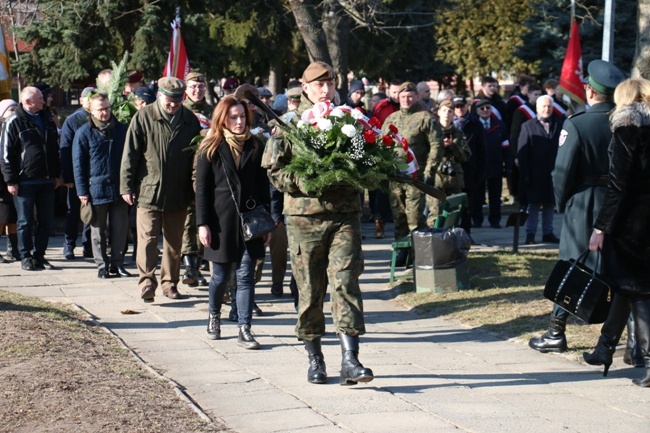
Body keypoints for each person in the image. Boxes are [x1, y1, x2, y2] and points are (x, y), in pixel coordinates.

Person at [263, 61, 374, 386]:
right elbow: (275, 169)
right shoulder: (292, 123)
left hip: (344, 216)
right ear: (305, 87)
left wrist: (363, 169)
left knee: (346, 283)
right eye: (318, 84)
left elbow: (368, 160)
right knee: (310, 290)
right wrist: (303, 181)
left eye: (329, 83)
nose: (324, 89)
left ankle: (350, 360)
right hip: (304, 218)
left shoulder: (351, 120)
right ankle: (315, 358)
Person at [529, 59, 625, 354]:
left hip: (584, 200)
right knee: (622, 269)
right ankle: (634, 339)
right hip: (621, 201)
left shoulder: (577, 123)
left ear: (590, 91)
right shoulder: (628, 123)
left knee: (572, 265)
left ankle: (556, 332)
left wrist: (563, 202)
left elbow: (562, 172)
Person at [581, 77, 650, 376]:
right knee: (627, 286)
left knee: (638, 290)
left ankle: (647, 360)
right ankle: (604, 349)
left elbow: (618, 185)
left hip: (630, 223)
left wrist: (600, 228)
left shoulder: (626, 129)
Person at [195, 96, 270, 349]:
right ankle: (214, 315)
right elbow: (202, 189)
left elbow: (263, 187)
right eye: (233, 117)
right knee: (220, 276)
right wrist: (202, 223)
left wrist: (267, 222)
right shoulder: (210, 147)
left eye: (242, 116)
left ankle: (244, 328)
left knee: (246, 276)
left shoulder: (256, 145)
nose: (239, 122)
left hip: (250, 222)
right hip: (220, 222)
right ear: (222, 119)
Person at [120, 77, 201, 302]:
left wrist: (195, 191)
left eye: (177, 100)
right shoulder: (144, 117)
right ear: (160, 96)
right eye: (169, 100)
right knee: (146, 240)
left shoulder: (189, 120)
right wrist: (126, 186)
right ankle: (147, 282)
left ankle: (169, 284)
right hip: (149, 190)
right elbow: (130, 155)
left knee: (174, 242)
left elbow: (196, 158)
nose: (173, 105)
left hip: (179, 191)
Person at [1, 87, 62, 271]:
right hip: (24, 181)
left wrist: (57, 175)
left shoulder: (47, 118)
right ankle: (25, 256)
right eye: (40, 99)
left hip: (46, 180)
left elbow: (54, 149)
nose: (44, 102)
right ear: (28, 102)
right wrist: (10, 180)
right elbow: (6, 154)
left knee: (46, 221)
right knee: (25, 221)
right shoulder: (14, 121)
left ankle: (39, 256)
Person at [73, 93, 130, 279]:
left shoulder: (122, 130)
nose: (104, 112)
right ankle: (101, 265)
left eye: (107, 108)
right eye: (100, 109)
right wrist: (82, 191)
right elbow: (78, 164)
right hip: (95, 189)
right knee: (97, 231)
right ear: (91, 110)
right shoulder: (84, 133)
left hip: (119, 189)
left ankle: (117, 263)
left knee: (120, 229)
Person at [382, 82, 434, 246]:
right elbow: (382, 143)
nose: (406, 99)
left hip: (415, 177)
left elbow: (436, 145)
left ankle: (419, 254)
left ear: (417, 97)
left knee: (415, 219)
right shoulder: (392, 118)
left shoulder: (425, 117)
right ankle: (401, 253)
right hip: (395, 177)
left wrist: (430, 169)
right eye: (403, 96)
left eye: (410, 96)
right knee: (399, 217)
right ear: (398, 97)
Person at [181, 71, 214, 288]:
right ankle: (189, 266)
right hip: (185, 170)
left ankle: (198, 264)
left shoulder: (213, 111)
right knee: (188, 220)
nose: (197, 90)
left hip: (208, 170)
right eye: (193, 87)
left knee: (204, 218)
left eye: (200, 87)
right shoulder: (182, 111)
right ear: (186, 89)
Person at [517, 95, 562, 245]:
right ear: (537, 108)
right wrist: (525, 175)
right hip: (534, 173)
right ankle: (530, 234)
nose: (546, 109)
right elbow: (522, 153)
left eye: (549, 106)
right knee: (533, 205)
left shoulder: (559, 124)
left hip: (553, 173)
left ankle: (548, 233)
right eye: (543, 106)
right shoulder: (527, 126)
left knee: (550, 204)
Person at [60, 86, 95, 261]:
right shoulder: (73, 120)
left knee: (91, 212)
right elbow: (65, 149)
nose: (90, 100)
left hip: (94, 175)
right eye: (88, 97)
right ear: (81, 100)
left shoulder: (99, 118)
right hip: (76, 175)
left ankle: (88, 246)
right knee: (73, 211)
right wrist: (67, 176)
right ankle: (69, 245)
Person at [424, 99, 472, 226]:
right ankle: (433, 242)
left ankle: (449, 243)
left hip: (453, 180)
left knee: (453, 216)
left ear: (453, 114)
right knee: (434, 215)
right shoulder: (431, 131)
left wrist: (452, 146)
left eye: (450, 111)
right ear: (438, 112)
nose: (447, 114)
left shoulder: (457, 133)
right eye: (444, 110)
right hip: (435, 179)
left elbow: (466, 156)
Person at [475, 99, 511, 228]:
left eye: (488, 108)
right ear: (477, 111)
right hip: (478, 167)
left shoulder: (499, 124)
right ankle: (477, 219)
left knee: (495, 196)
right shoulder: (473, 124)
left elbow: (506, 146)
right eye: (482, 108)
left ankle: (495, 220)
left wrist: (508, 165)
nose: (485, 111)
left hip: (495, 165)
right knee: (477, 195)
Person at [453, 95, 486, 234]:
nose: (459, 109)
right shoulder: (446, 123)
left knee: (467, 205)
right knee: (452, 205)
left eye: (462, 106)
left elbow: (482, 150)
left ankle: (466, 234)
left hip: (469, 170)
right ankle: (451, 234)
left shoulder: (475, 124)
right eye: (456, 106)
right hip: (452, 171)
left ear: (467, 106)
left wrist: (481, 172)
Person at [0, 99, 18, 262]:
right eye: (10, 109)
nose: (14, 112)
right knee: (2, 216)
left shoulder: (15, 128)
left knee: (12, 216)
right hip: (1, 179)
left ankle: (12, 248)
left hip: (13, 178)